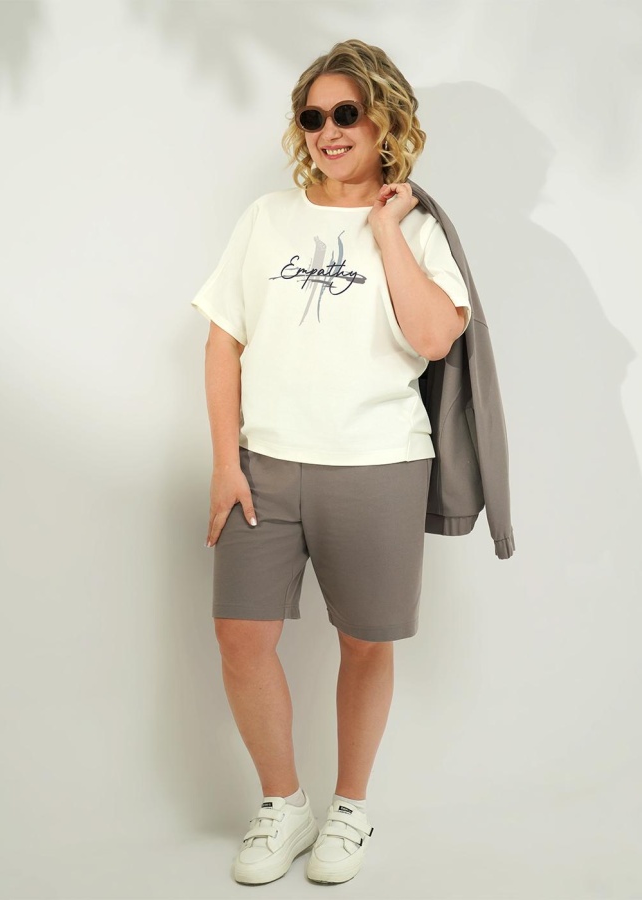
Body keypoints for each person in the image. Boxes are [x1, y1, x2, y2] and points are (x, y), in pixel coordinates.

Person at [191, 38, 471, 887]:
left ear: (384, 119)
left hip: (378, 463)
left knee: (365, 642)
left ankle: (350, 809)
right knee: (240, 637)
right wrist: (225, 462)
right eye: (311, 116)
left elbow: (433, 337)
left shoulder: (417, 229)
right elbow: (223, 340)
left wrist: (382, 227)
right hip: (265, 465)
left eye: (345, 113)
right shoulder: (266, 218)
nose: (327, 131)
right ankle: (284, 805)